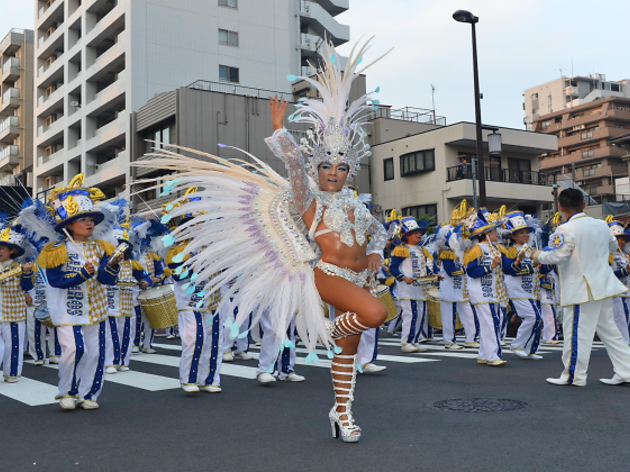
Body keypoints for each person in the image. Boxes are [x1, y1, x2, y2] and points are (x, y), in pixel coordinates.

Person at [136, 38, 389, 443]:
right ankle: (322, 331)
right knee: (375, 315)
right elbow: (293, 168)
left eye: (341, 167)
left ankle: (342, 413)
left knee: (347, 354)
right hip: (327, 274)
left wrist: (376, 253)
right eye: (325, 165)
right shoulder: (308, 200)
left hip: (358, 280)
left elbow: (379, 233)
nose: (333, 172)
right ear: (317, 167)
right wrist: (280, 131)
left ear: (350, 171)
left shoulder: (358, 205)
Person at [37, 174, 121, 409]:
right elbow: (55, 281)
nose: (89, 223)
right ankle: (67, 392)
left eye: (91, 219)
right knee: (74, 349)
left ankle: (89, 395)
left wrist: (112, 265)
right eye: (82, 219)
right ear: (69, 224)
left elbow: (106, 279)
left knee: (95, 353)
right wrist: (82, 274)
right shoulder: (55, 249)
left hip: (96, 308)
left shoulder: (103, 247)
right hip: (68, 310)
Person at [533, 189, 630, 386]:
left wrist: (537, 255)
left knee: (576, 332)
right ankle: (626, 371)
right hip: (603, 285)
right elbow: (613, 247)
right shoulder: (602, 225)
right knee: (611, 332)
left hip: (581, 288)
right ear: (584, 204)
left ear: (560, 207)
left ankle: (574, 375)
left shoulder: (565, 229)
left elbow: (557, 257)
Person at [464, 209, 507, 367]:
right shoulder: (476, 250)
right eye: (494, 230)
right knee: (491, 323)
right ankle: (492, 355)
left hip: (494, 292)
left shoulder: (496, 248)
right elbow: (472, 272)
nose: (497, 233)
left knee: (489, 323)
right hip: (482, 293)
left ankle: (484, 354)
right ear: (486, 233)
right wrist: (491, 266)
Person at [501, 212, 545, 360]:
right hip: (517, 290)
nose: (525, 235)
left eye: (526, 232)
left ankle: (531, 349)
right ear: (513, 236)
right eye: (521, 233)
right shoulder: (509, 251)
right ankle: (517, 344)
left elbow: (541, 270)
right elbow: (509, 270)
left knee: (537, 320)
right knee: (533, 317)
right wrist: (525, 263)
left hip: (533, 290)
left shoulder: (532, 249)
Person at [389, 217, 436, 353]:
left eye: (420, 232)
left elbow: (425, 268)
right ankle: (406, 342)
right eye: (416, 232)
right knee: (411, 314)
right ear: (408, 235)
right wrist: (403, 277)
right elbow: (393, 268)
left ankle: (414, 340)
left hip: (421, 288)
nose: (419, 234)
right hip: (408, 288)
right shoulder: (401, 249)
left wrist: (433, 275)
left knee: (420, 315)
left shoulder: (422, 250)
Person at [0, 223, 34, 382]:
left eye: (2, 248)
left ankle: (11, 373)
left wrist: (27, 273)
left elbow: (28, 286)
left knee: (13, 344)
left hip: (13, 312)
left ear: (11, 250)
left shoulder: (20, 267)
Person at [607, 220, 630, 344]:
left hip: (627, 291)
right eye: (618, 239)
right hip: (617, 292)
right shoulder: (609, 255)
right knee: (621, 318)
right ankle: (623, 343)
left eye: (623, 239)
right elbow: (608, 275)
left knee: (627, 318)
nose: (621, 242)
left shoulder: (626, 255)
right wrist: (624, 272)